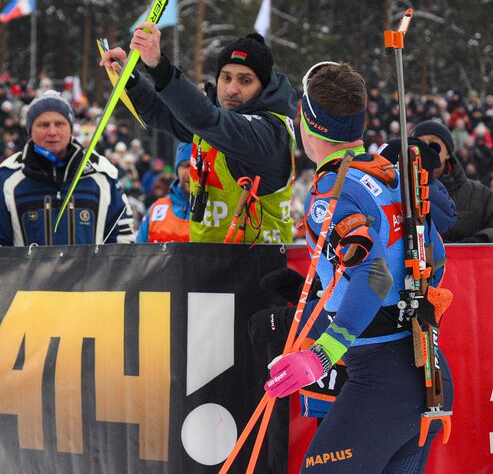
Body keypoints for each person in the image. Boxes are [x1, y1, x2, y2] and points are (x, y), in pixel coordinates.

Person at [263, 62, 453, 473]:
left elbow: (374, 273)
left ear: (306, 122)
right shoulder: (389, 175)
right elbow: (434, 255)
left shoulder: (330, 194)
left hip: (381, 382)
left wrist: (322, 355)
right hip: (427, 372)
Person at [101, 28, 297, 244]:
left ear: (263, 87)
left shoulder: (269, 132)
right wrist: (129, 77)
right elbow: (161, 112)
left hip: (260, 270)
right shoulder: (213, 123)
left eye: (245, 80)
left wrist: (159, 65)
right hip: (207, 265)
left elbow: (207, 119)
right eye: (226, 77)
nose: (231, 89)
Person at [0, 90, 135, 246]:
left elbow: (122, 240)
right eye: (43, 125)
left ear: (71, 128)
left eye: (60, 124)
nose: (52, 132)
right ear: (30, 131)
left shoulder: (100, 174)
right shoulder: (7, 177)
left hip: (90, 271)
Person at [411, 120, 493, 242]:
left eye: (433, 143)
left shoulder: (480, 195)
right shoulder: (400, 193)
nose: (426, 149)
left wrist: (469, 246)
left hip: (467, 260)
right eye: (420, 144)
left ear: (448, 153)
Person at [136, 142, 191, 243]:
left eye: (196, 166)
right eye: (186, 166)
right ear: (177, 169)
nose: (191, 173)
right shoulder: (156, 210)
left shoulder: (218, 210)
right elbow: (139, 254)